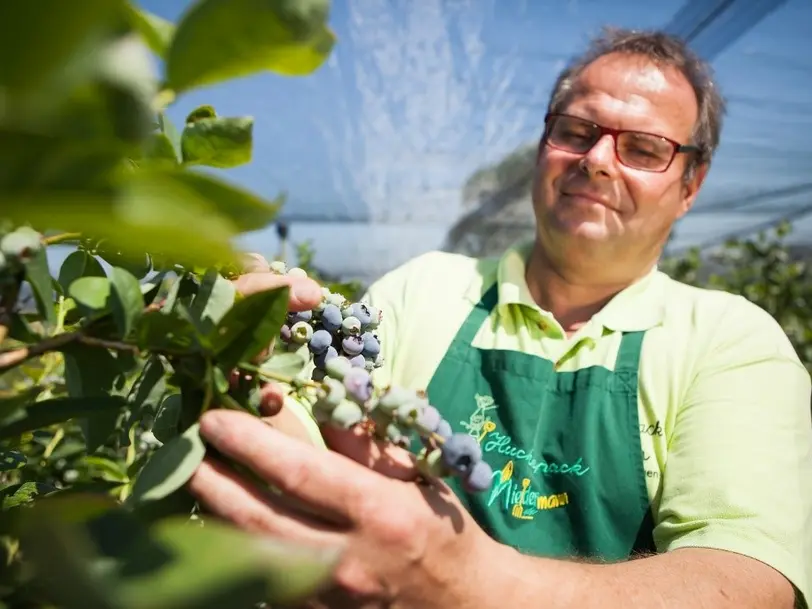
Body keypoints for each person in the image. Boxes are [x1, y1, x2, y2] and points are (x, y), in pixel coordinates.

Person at [187, 27, 812, 608]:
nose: (597, 159)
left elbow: (746, 580)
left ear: (691, 184)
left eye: (643, 148)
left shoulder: (730, 340)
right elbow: (316, 424)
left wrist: (472, 579)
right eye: (575, 130)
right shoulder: (426, 288)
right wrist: (251, 356)